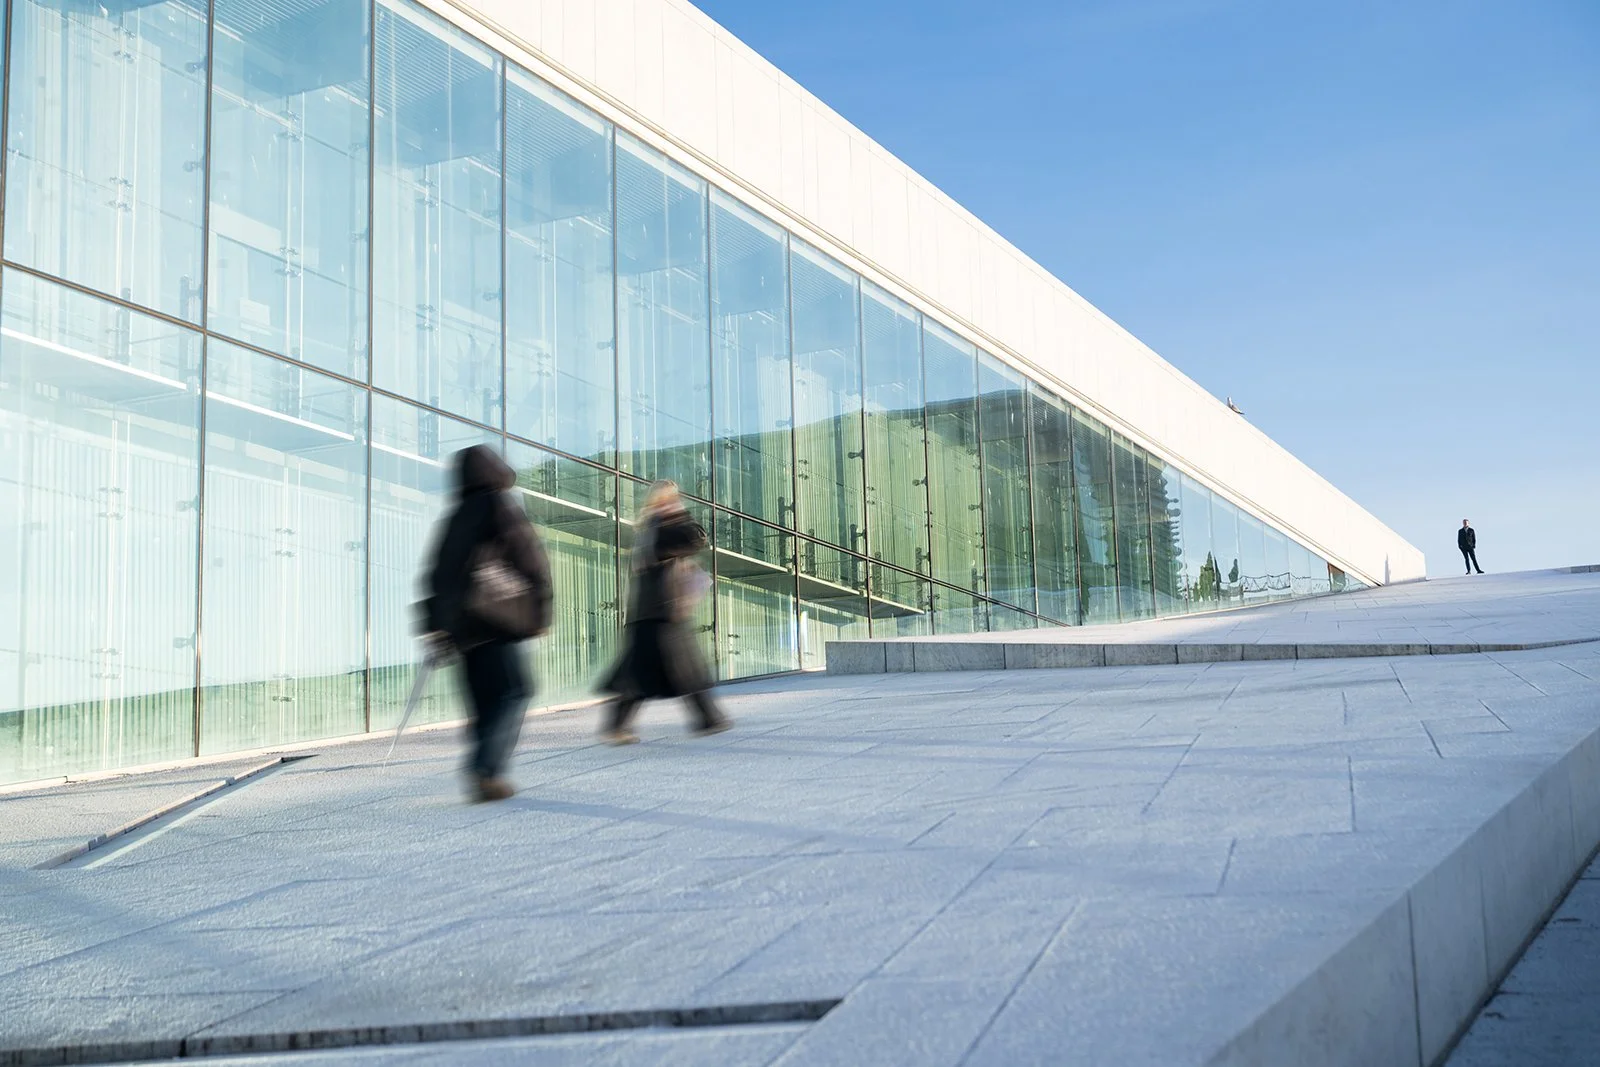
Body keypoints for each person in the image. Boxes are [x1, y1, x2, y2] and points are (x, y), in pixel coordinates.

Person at [425, 446, 552, 802]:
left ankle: (482, 769)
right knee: (514, 691)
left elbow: (438, 574)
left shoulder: (455, 515)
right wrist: (540, 611)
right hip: (499, 621)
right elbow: (530, 559)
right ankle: (486, 770)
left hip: (465, 632)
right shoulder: (500, 504)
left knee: (484, 703)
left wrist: (436, 625)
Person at [600, 481, 729, 745]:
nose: (676, 503)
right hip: (659, 616)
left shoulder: (652, 531)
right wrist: (680, 514)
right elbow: (697, 538)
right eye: (671, 499)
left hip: (657, 615)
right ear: (661, 502)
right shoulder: (660, 530)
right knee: (659, 674)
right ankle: (708, 718)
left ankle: (708, 718)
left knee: (665, 672)